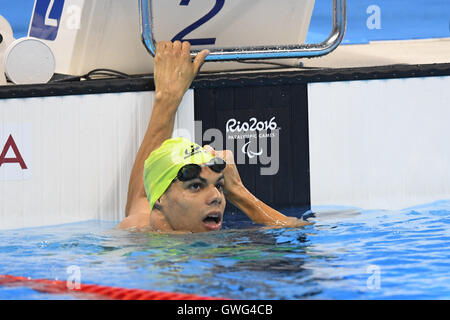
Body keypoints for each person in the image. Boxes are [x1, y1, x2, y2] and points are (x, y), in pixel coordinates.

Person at [119, 41, 309, 233]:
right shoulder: (193, 252)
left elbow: (142, 197)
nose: (216, 196)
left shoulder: (136, 229)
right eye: (195, 186)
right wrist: (239, 193)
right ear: (161, 198)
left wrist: (168, 98)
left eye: (219, 185)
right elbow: (299, 237)